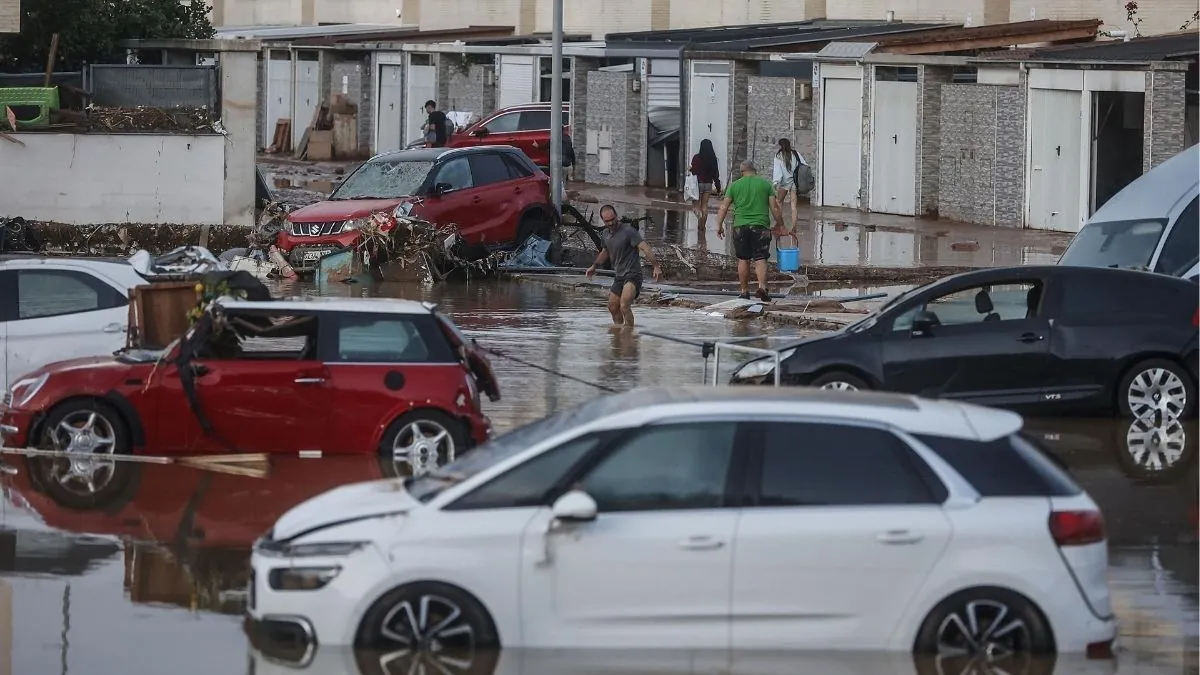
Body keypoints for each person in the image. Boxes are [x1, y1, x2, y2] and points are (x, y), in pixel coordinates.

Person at [715, 160, 787, 302]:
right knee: (760, 259)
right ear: (755, 170)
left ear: (742, 172)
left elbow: (723, 207)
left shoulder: (734, 185)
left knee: (743, 259)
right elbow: (775, 207)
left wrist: (719, 225)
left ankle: (744, 291)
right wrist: (781, 224)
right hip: (760, 226)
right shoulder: (765, 184)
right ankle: (761, 287)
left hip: (740, 227)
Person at [586, 205, 662, 328]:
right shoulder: (605, 234)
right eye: (607, 221)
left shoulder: (628, 231)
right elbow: (605, 251)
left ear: (616, 216)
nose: (611, 223)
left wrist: (656, 266)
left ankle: (629, 334)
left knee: (624, 304)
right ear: (603, 220)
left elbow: (645, 248)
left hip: (633, 275)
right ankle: (619, 332)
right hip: (619, 276)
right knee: (612, 307)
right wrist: (594, 266)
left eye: (612, 219)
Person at [771, 138, 807, 231]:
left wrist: (775, 183)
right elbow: (804, 165)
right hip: (795, 182)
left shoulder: (778, 156)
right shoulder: (795, 154)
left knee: (779, 202)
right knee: (793, 206)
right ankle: (794, 227)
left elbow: (778, 172)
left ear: (780, 145)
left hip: (784, 183)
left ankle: (779, 224)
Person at [688, 139, 721, 230]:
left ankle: (700, 221)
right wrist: (718, 188)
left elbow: (694, 171)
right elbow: (716, 175)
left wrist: (690, 169)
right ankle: (702, 226)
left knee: (695, 206)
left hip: (697, 184)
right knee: (704, 206)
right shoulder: (713, 159)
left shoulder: (696, 157)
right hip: (708, 185)